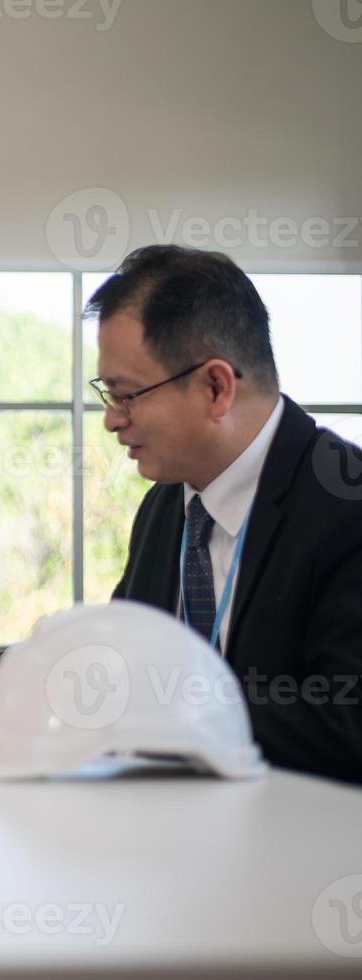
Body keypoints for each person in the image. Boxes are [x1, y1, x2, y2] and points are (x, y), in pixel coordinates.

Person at [92, 244, 362, 784]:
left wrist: (172, 714)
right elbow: (120, 670)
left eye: (127, 396)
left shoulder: (346, 507)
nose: (111, 421)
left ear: (216, 387)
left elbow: (348, 723)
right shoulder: (164, 509)